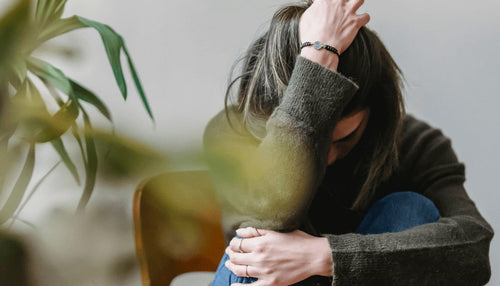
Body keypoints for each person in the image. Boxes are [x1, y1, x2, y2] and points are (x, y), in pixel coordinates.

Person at [203, 0, 494, 285]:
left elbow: (473, 247)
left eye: (343, 139)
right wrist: (319, 58)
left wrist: (325, 257)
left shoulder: (413, 143)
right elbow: (270, 215)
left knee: (410, 208)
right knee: (254, 245)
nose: (327, 156)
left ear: (374, 113)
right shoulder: (231, 131)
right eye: (319, 139)